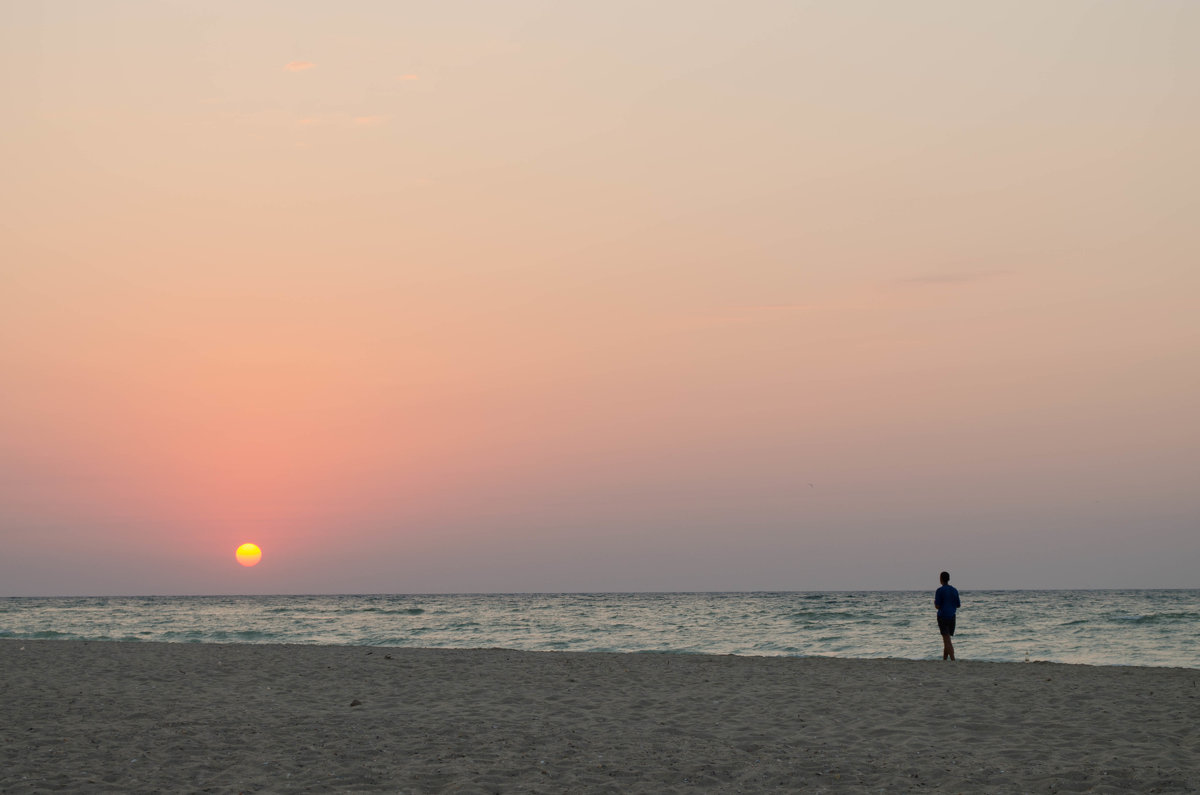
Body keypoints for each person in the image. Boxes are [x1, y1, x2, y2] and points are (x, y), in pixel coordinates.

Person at [934, 571, 961, 661]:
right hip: (952, 616)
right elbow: (958, 605)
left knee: (947, 640)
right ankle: (944, 660)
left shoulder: (940, 590)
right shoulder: (954, 590)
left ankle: (953, 659)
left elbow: (937, 606)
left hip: (943, 616)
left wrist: (936, 603)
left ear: (941, 579)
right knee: (947, 638)